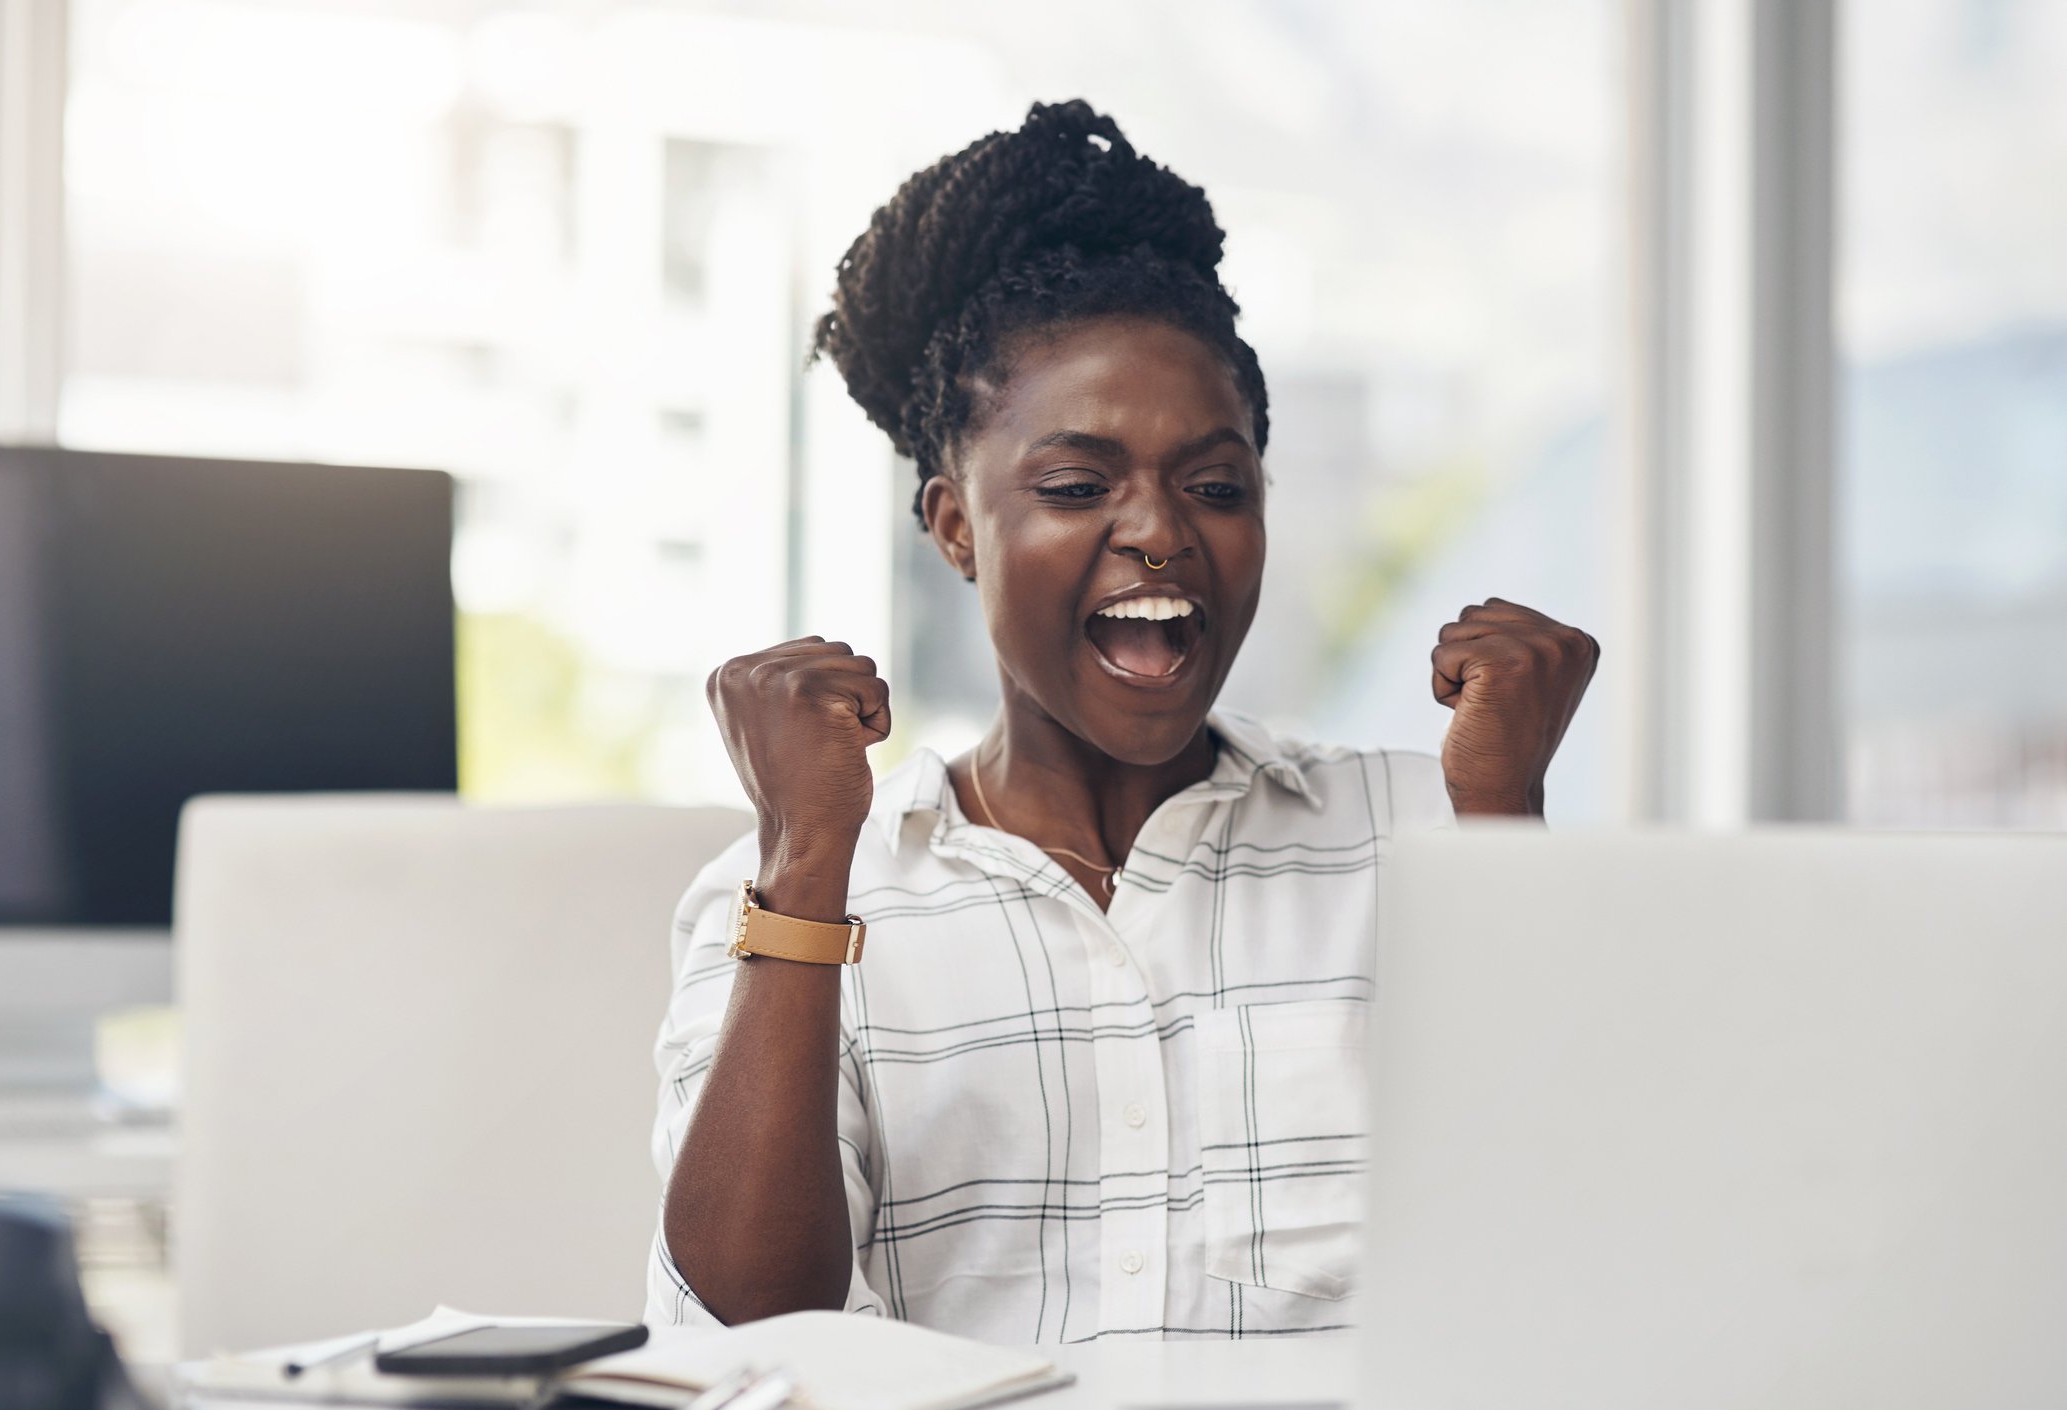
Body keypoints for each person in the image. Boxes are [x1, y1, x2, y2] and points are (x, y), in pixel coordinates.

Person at [650, 99, 1596, 1342]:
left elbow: (1571, 1253)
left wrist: (1504, 822)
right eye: (1076, 484)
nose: (1158, 529)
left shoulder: (1427, 829)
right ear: (954, 527)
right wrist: (807, 860)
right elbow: (750, 1335)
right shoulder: (789, 892)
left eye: (1215, 485)